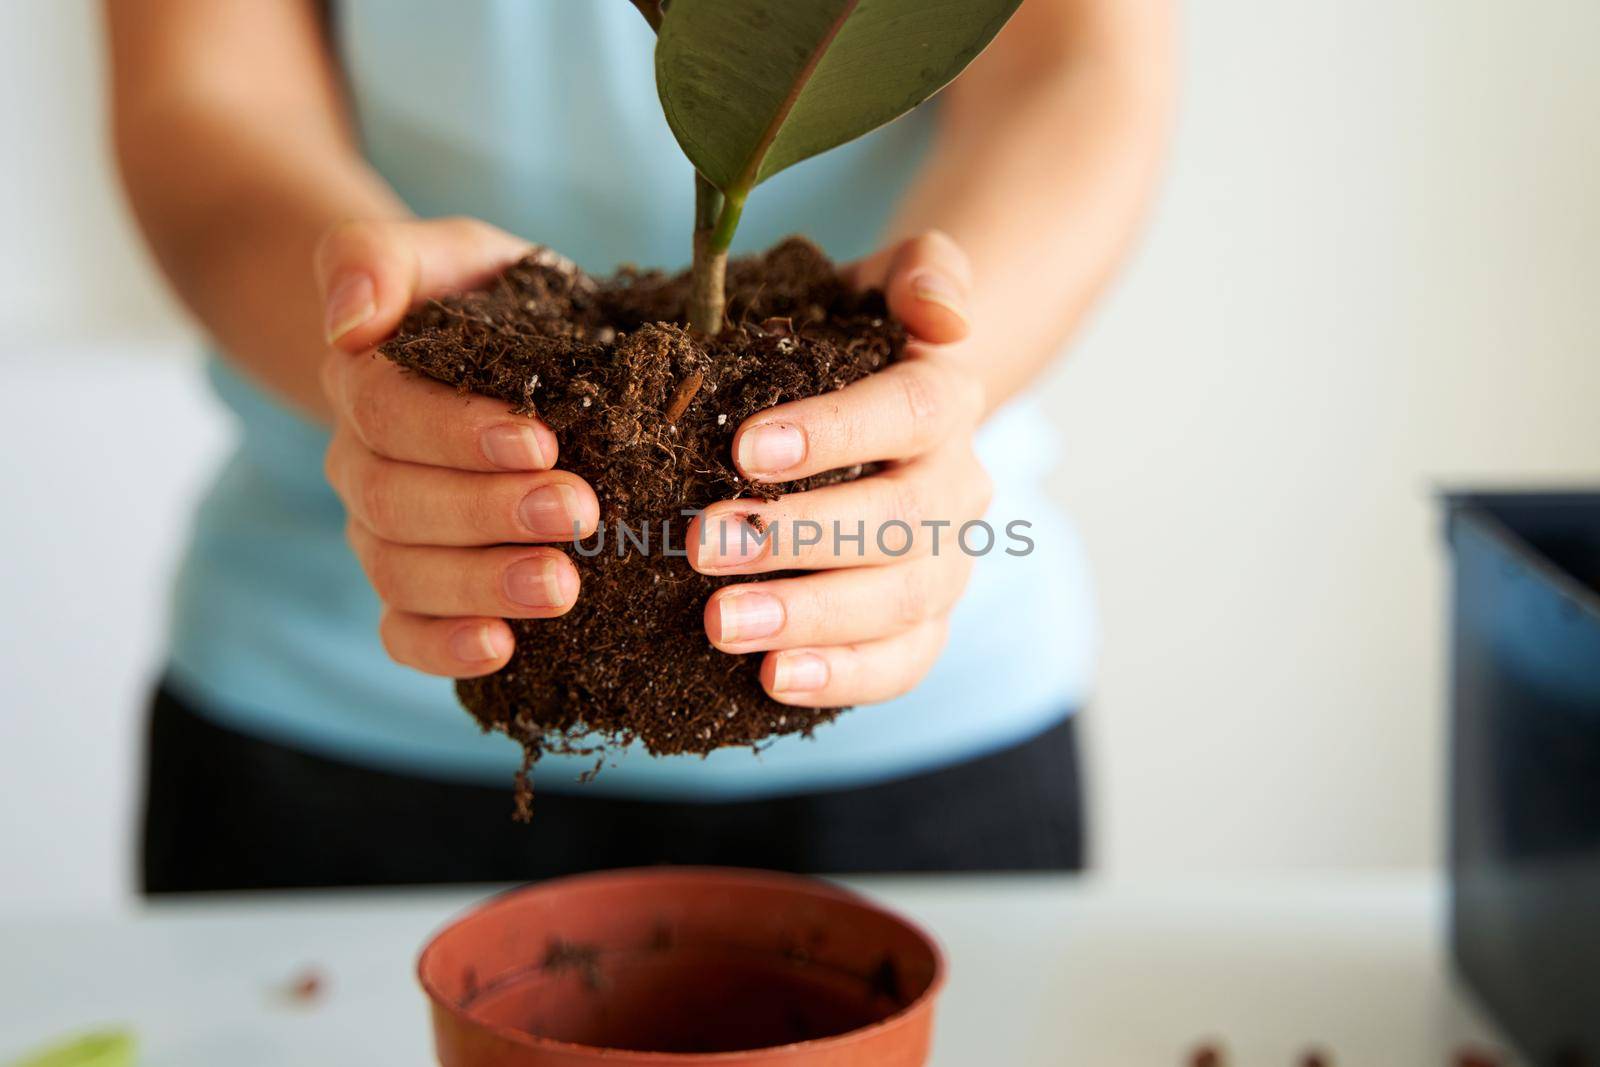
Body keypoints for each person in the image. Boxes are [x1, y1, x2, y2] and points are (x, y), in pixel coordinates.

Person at [107, 0, 1174, 892]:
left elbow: (1076, 66)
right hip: (328, 696)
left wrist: (928, 371)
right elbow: (204, 88)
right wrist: (374, 348)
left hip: (921, 689)